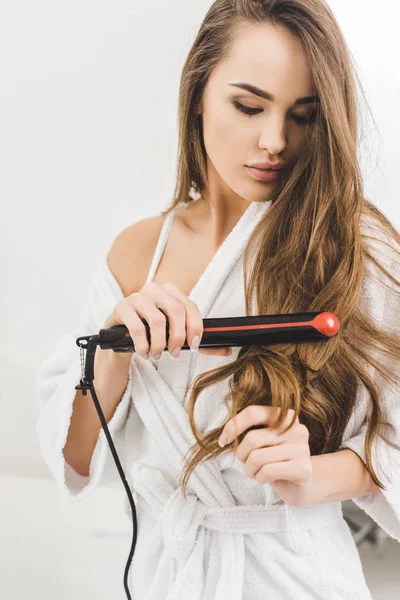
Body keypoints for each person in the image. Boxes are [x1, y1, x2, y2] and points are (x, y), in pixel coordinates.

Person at [35, 1, 400, 598]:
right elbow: (76, 463)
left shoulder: (356, 250)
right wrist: (112, 354)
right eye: (248, 106)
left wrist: (311, 477)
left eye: (304, 116)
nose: (275, 140)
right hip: (167, 575)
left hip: (298, 578)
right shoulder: (137, 254)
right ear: (198, 93)